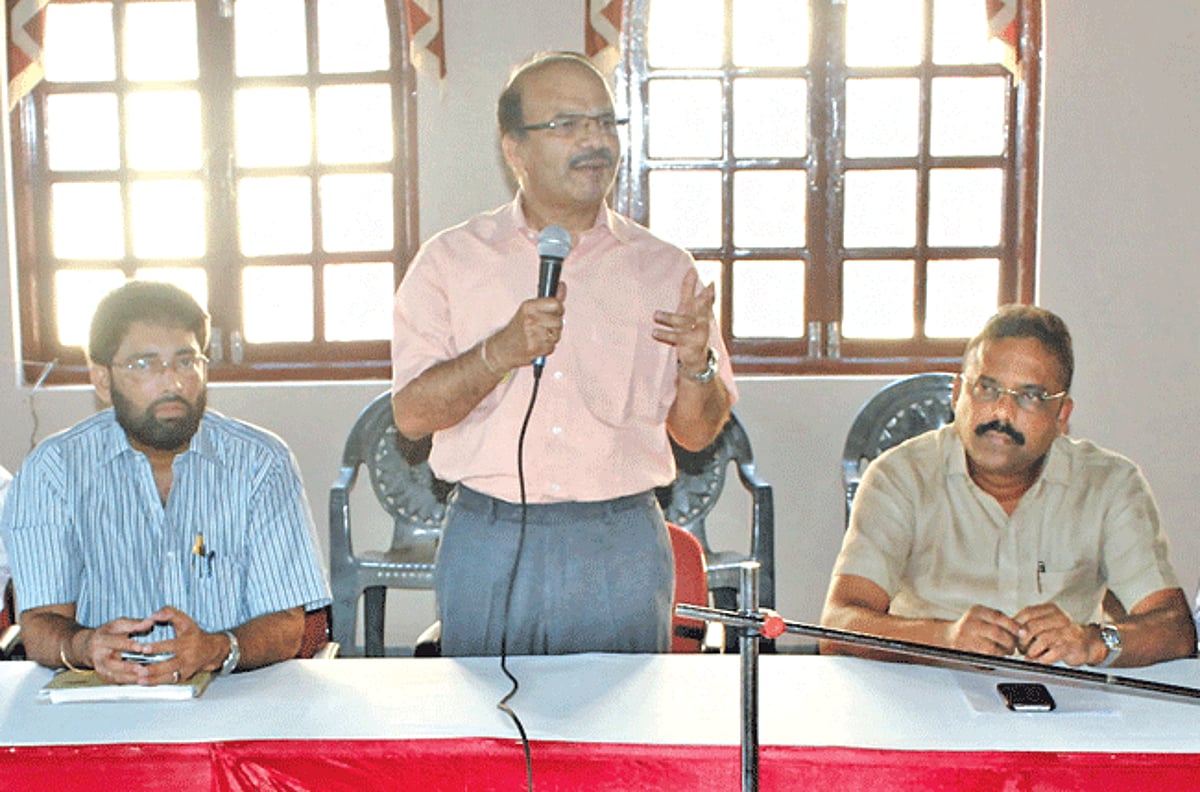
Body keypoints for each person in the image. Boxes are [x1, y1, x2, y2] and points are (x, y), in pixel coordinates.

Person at [391, 52, 736, 656]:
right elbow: (412, 416)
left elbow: (698, 434)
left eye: (605, 122)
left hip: (619, 542)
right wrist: (497, 353)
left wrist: (694, 365)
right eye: (568, 125)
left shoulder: (663, 266)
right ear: (514, 150)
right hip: (488, 534)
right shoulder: (450, 261)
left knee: (617, 742)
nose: (594, 140)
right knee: (490, 733)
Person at [821, 304, 1195, 668]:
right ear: (957, 395)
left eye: (1029, 397)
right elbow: (838, 626)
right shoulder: (901, 476)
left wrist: (1095, 641)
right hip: (927, 694)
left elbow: (1175, 629)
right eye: (986, 388)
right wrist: (945, 640)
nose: (1002, 413)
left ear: (1061, 416)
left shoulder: (1109, 483)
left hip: (1063, 705)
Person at [0, 281, 331, 684]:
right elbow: (39, 625)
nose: (172, 382)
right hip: (104, 699)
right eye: (144, 365)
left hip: (234, 693)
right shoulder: (54, 471)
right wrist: (86, 646)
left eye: (186, 361)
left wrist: (218, 648)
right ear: (103, 379)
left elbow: (287, 624)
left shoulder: (261, 463)